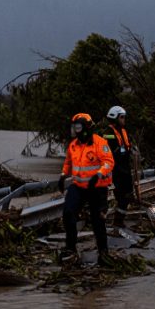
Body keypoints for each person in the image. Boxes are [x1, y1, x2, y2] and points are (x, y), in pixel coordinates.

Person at [59, 112, 115, 264]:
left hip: (97, 188)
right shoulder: (73, 145)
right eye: (73, 127)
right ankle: (70, 248)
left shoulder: (99, 143)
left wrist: (99, 174)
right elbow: (68, 163)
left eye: (77, 127)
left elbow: (109, 162)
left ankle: (103, 252)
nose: (74, 130)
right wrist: (63, 175)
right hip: (78, 187)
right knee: (68, 213)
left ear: (85, 128)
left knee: (98, 221)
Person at [100, 105, 135, 229]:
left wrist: (130, 150)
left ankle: (119, 220)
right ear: (115, 118)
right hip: (116, 171)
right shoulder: (108, 133)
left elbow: (127, 146)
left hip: (125, 169)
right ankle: (117, 222)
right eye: (122, 117)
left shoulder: (123, 131)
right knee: (121, 197)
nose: (124, 119)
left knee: (129, 195)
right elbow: (109, 151)